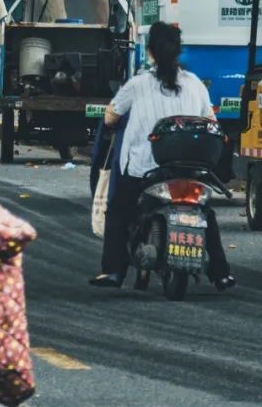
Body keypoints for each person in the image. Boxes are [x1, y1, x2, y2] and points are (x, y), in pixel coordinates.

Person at [92, 20, 233, 289]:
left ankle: (114, 271)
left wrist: (111, 122)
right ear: (178, 51)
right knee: (207, 214)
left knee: (119, 211)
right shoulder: (196, 85)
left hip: (146, 169)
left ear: (150, 52)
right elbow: (211, 122)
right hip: (192, 171)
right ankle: (221, 273)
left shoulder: (137, 84)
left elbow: (111, 116)